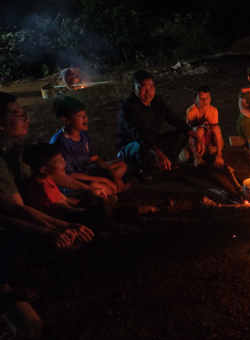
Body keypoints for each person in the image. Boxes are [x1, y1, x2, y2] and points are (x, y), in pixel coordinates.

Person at [0, 93, 93, 312]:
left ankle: (34, 265)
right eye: (18, 115)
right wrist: (55, 229)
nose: (27, 119)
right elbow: (14, 211)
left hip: (30, 210)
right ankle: (5, 289)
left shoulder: (19, 148)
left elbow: (52, 173)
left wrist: (89, 188)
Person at [22, 143, 158, 233]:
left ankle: (114, 214)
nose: (64, 164)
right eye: (59, 162)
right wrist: (94, 209)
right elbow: (67, 209)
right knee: (103, 212)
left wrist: (90, 193)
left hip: (69, 212)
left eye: (62, 159)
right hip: (66, 222)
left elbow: (66, 198)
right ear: (44, 169)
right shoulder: (42, 190)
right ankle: (119, 220)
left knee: (98, 202)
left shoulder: (44, 178)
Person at [117, 71, 201, 177]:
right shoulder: (127, 107)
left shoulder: (157, 101)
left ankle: (166, 163)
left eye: (151, 87)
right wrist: (158, 152)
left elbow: (172, 118)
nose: (148, 92)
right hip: (132, 145)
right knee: (142, 147)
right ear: (134, 88)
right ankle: (145, 170)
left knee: (183, 133)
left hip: (153, 140)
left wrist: (194, 134)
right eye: (143, 88)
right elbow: (138, 134)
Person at [50, 96, 128, 197]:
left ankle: (109, 188)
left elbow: (94, 158)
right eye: (80, 115)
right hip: (73, 180)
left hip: (88, 172)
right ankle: (115, 190)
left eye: (85, 114)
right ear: (66, 121)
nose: (85, 118)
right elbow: (69, 175)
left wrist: (113, 174)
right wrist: (102, 179)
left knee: (121, 164)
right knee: (94, 185)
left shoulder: (82, 133)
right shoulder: (61, 143)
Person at [183, 85, 224, 168]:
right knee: (199, 129)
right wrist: (201, 126)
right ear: (195, 100)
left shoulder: (213, 110)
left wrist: (208, 128)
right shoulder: (191, 111)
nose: (205, 100)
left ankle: (219, 155)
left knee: (216, 128)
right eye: (201, 98)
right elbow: (189, 129)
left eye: (207, 97)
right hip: (196, 138)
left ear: (210, 98)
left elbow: (213, 126)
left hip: (209, 138)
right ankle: (197, 157)